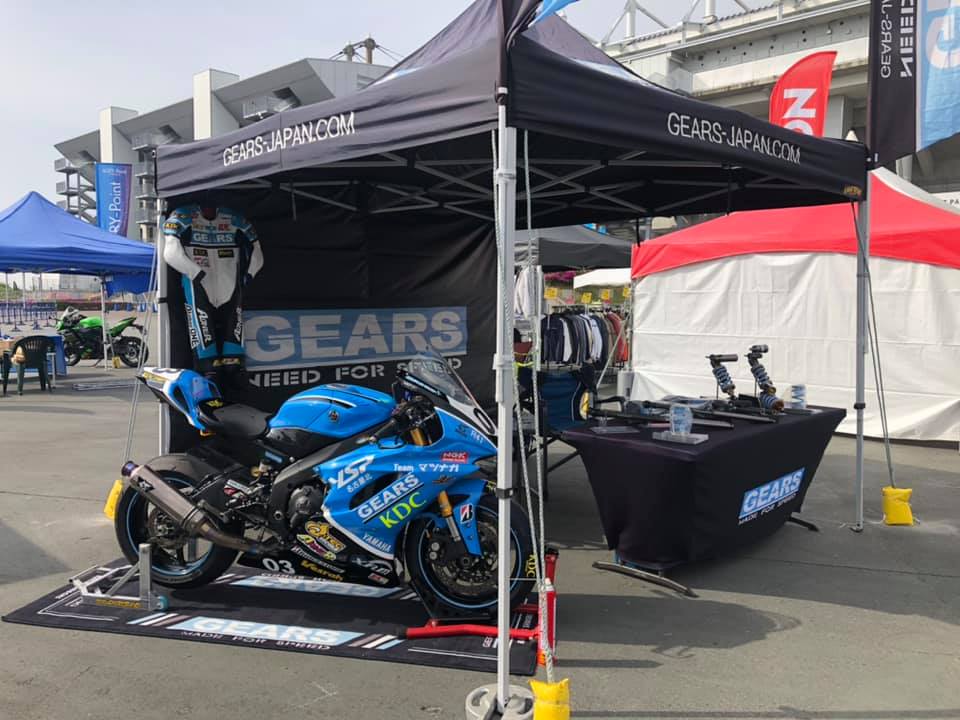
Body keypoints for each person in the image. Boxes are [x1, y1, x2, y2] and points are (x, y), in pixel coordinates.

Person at [163, 204, 263, 395]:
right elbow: (170, 252)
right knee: (206, 359)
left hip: (229, 285)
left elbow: (257, 250)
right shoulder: (182, 216)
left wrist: (249, 274)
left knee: (234, 354)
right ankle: (209, 375)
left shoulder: (235, 218)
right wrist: (194, 272)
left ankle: (233, 372)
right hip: (198, 284)